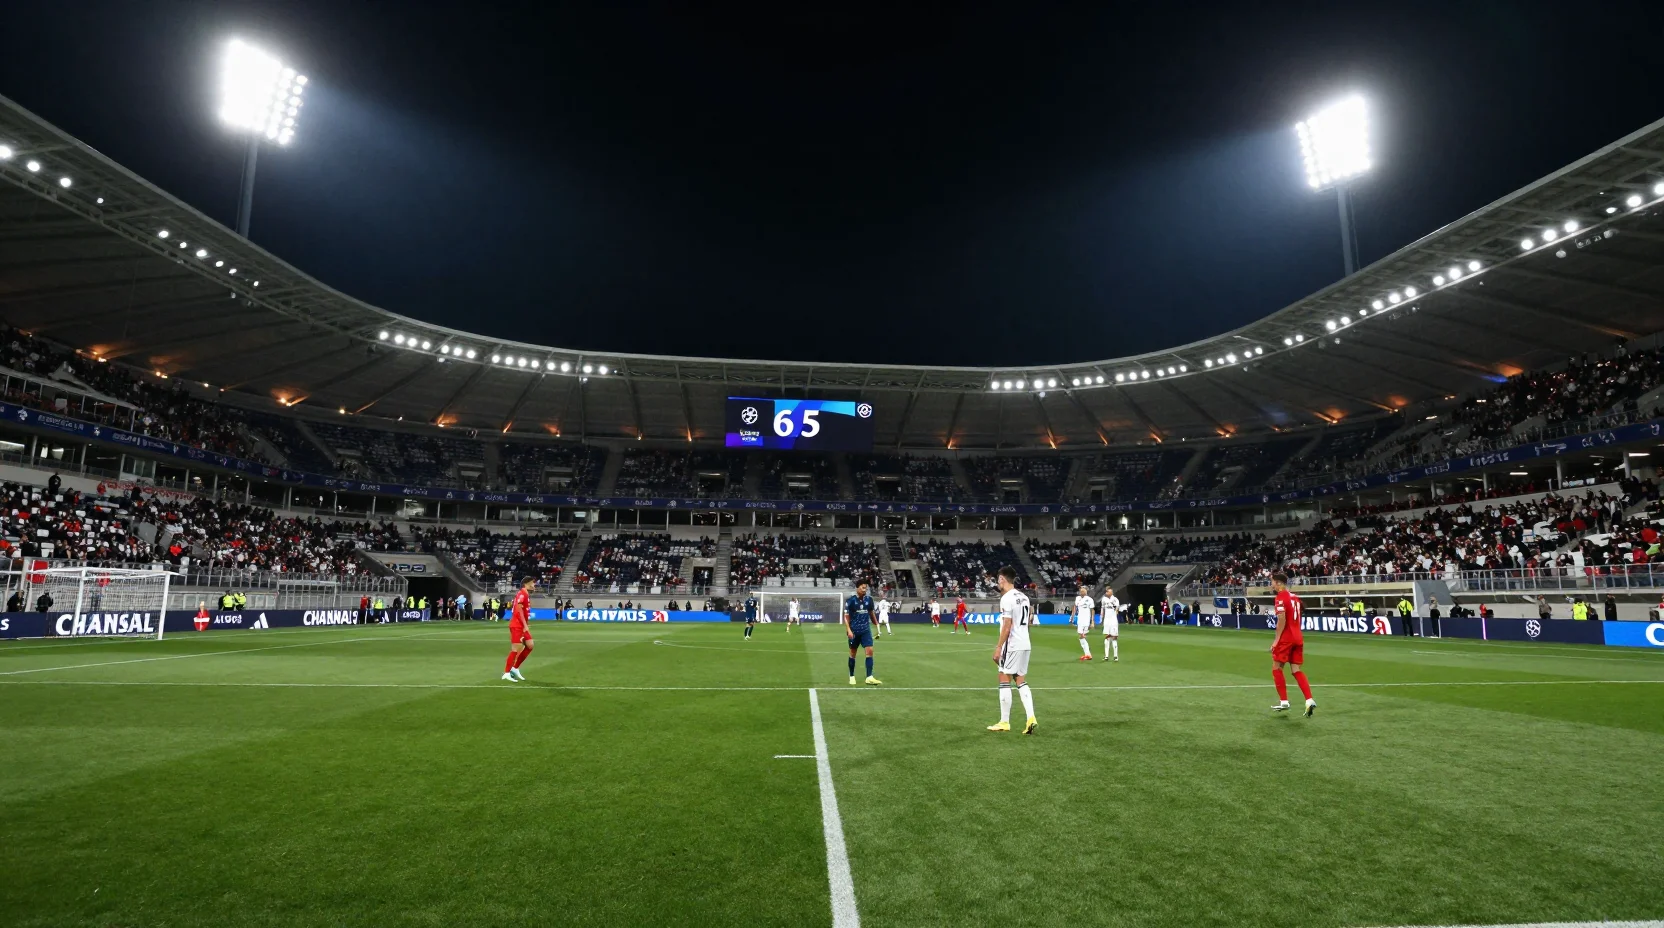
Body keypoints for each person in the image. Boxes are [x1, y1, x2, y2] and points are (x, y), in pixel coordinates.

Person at [987, 566, 1037, 735]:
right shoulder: (1024, 597)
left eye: (998, 580)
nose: (997, 583)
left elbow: (1007, 626)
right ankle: (1031, 717)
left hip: (1012, 643)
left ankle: (1004, 721)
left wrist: (999, 647)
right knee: (1020, 679)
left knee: (1003, 675)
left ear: (1002, 579)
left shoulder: (1006, 598)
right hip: (1025, 642)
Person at [1269, 572, 1316, 717]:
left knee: (1276, 668)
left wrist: (1276, 640)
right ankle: (1309, 699)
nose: (1271, 585)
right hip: (1298, 637)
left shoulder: (1280, 597)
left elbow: (1281, 619)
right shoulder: (1295, 597)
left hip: (1287, 637)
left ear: (1278, 583)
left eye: (1272, 582)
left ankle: (1284, 701)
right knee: (1296, 669)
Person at [843, 581, 880, 686]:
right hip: (854, 631)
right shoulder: (851, 601)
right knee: (853, 653)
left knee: (870, 651)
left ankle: (869, 677)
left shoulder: (869, 600)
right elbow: (846, 617)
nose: (865, 589)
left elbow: (871, 613)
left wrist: (877, 625)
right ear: (857, 588)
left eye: (866, 588)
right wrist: (849, 630)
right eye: (863, 587)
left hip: (865, 631)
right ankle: (851, 676)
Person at [502, 577, 536, 682]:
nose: (534, 585)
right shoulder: (522, 594)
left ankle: (515, 668)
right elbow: (518, 609)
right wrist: (525, 625)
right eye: (533, 583)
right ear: (527, 584)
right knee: (515, 649)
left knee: (530, 645)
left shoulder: (525, 594)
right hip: (517, 625)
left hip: (521, 625)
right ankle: (506, 673)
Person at [1073, 584, 1096, 661]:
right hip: (1080, 620)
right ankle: (1087, 654)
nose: (1081, 591)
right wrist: (1072, 617)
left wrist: (1092, 621)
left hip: (1086, 620)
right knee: (1080, 636)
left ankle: (1088, 654)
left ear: (1086, 591)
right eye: (1081, 590)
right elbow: (1075, 607)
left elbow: (1092, 610)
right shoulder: (1077, 598)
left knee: (1082, 636)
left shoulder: (1089, 599)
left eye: (1083, 590)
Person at [1100, 584, 1122, 662]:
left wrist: (1115, 613)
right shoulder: (1104, 599)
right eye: (1108, 591)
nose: (1109, 592)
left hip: (1113, 620)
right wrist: (1101, 618)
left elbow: (1117, 608)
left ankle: (1115, 656)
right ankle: (1106, 656)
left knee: (1114, 637)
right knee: (1107, 637)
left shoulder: (1115, 599)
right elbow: (1102, 609)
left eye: (1110, 591)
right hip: (1106, 620)